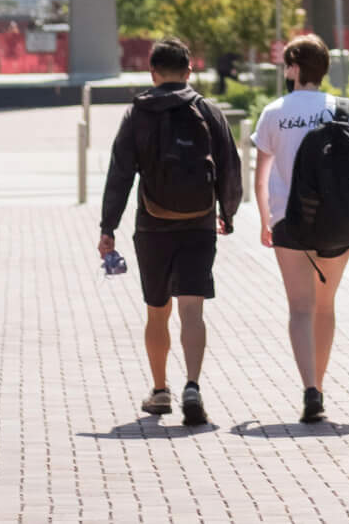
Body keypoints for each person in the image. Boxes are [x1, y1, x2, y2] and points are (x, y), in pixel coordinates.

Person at [99, 36, 242, 426]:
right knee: (192, 308)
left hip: (153, 225)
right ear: (189, 70)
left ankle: (160, 391)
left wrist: (107, 226)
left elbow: (120, 174)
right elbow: (230, 166)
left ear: (153, 72)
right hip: (198, 223)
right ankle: (192, 386)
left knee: (157, 310)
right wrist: (227, 213)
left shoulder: (138, 115)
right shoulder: (208, 111)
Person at [252, 34, 349, 424]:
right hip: (337, 223)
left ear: (296, 67)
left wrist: (266, 219)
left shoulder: (274, 112)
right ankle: (320, 382)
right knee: (325, 305)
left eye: (287, 65)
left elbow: (262, 174)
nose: (285, 72)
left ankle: (310, 390)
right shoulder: (344, 110)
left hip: (290, 221)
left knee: (299, 308)